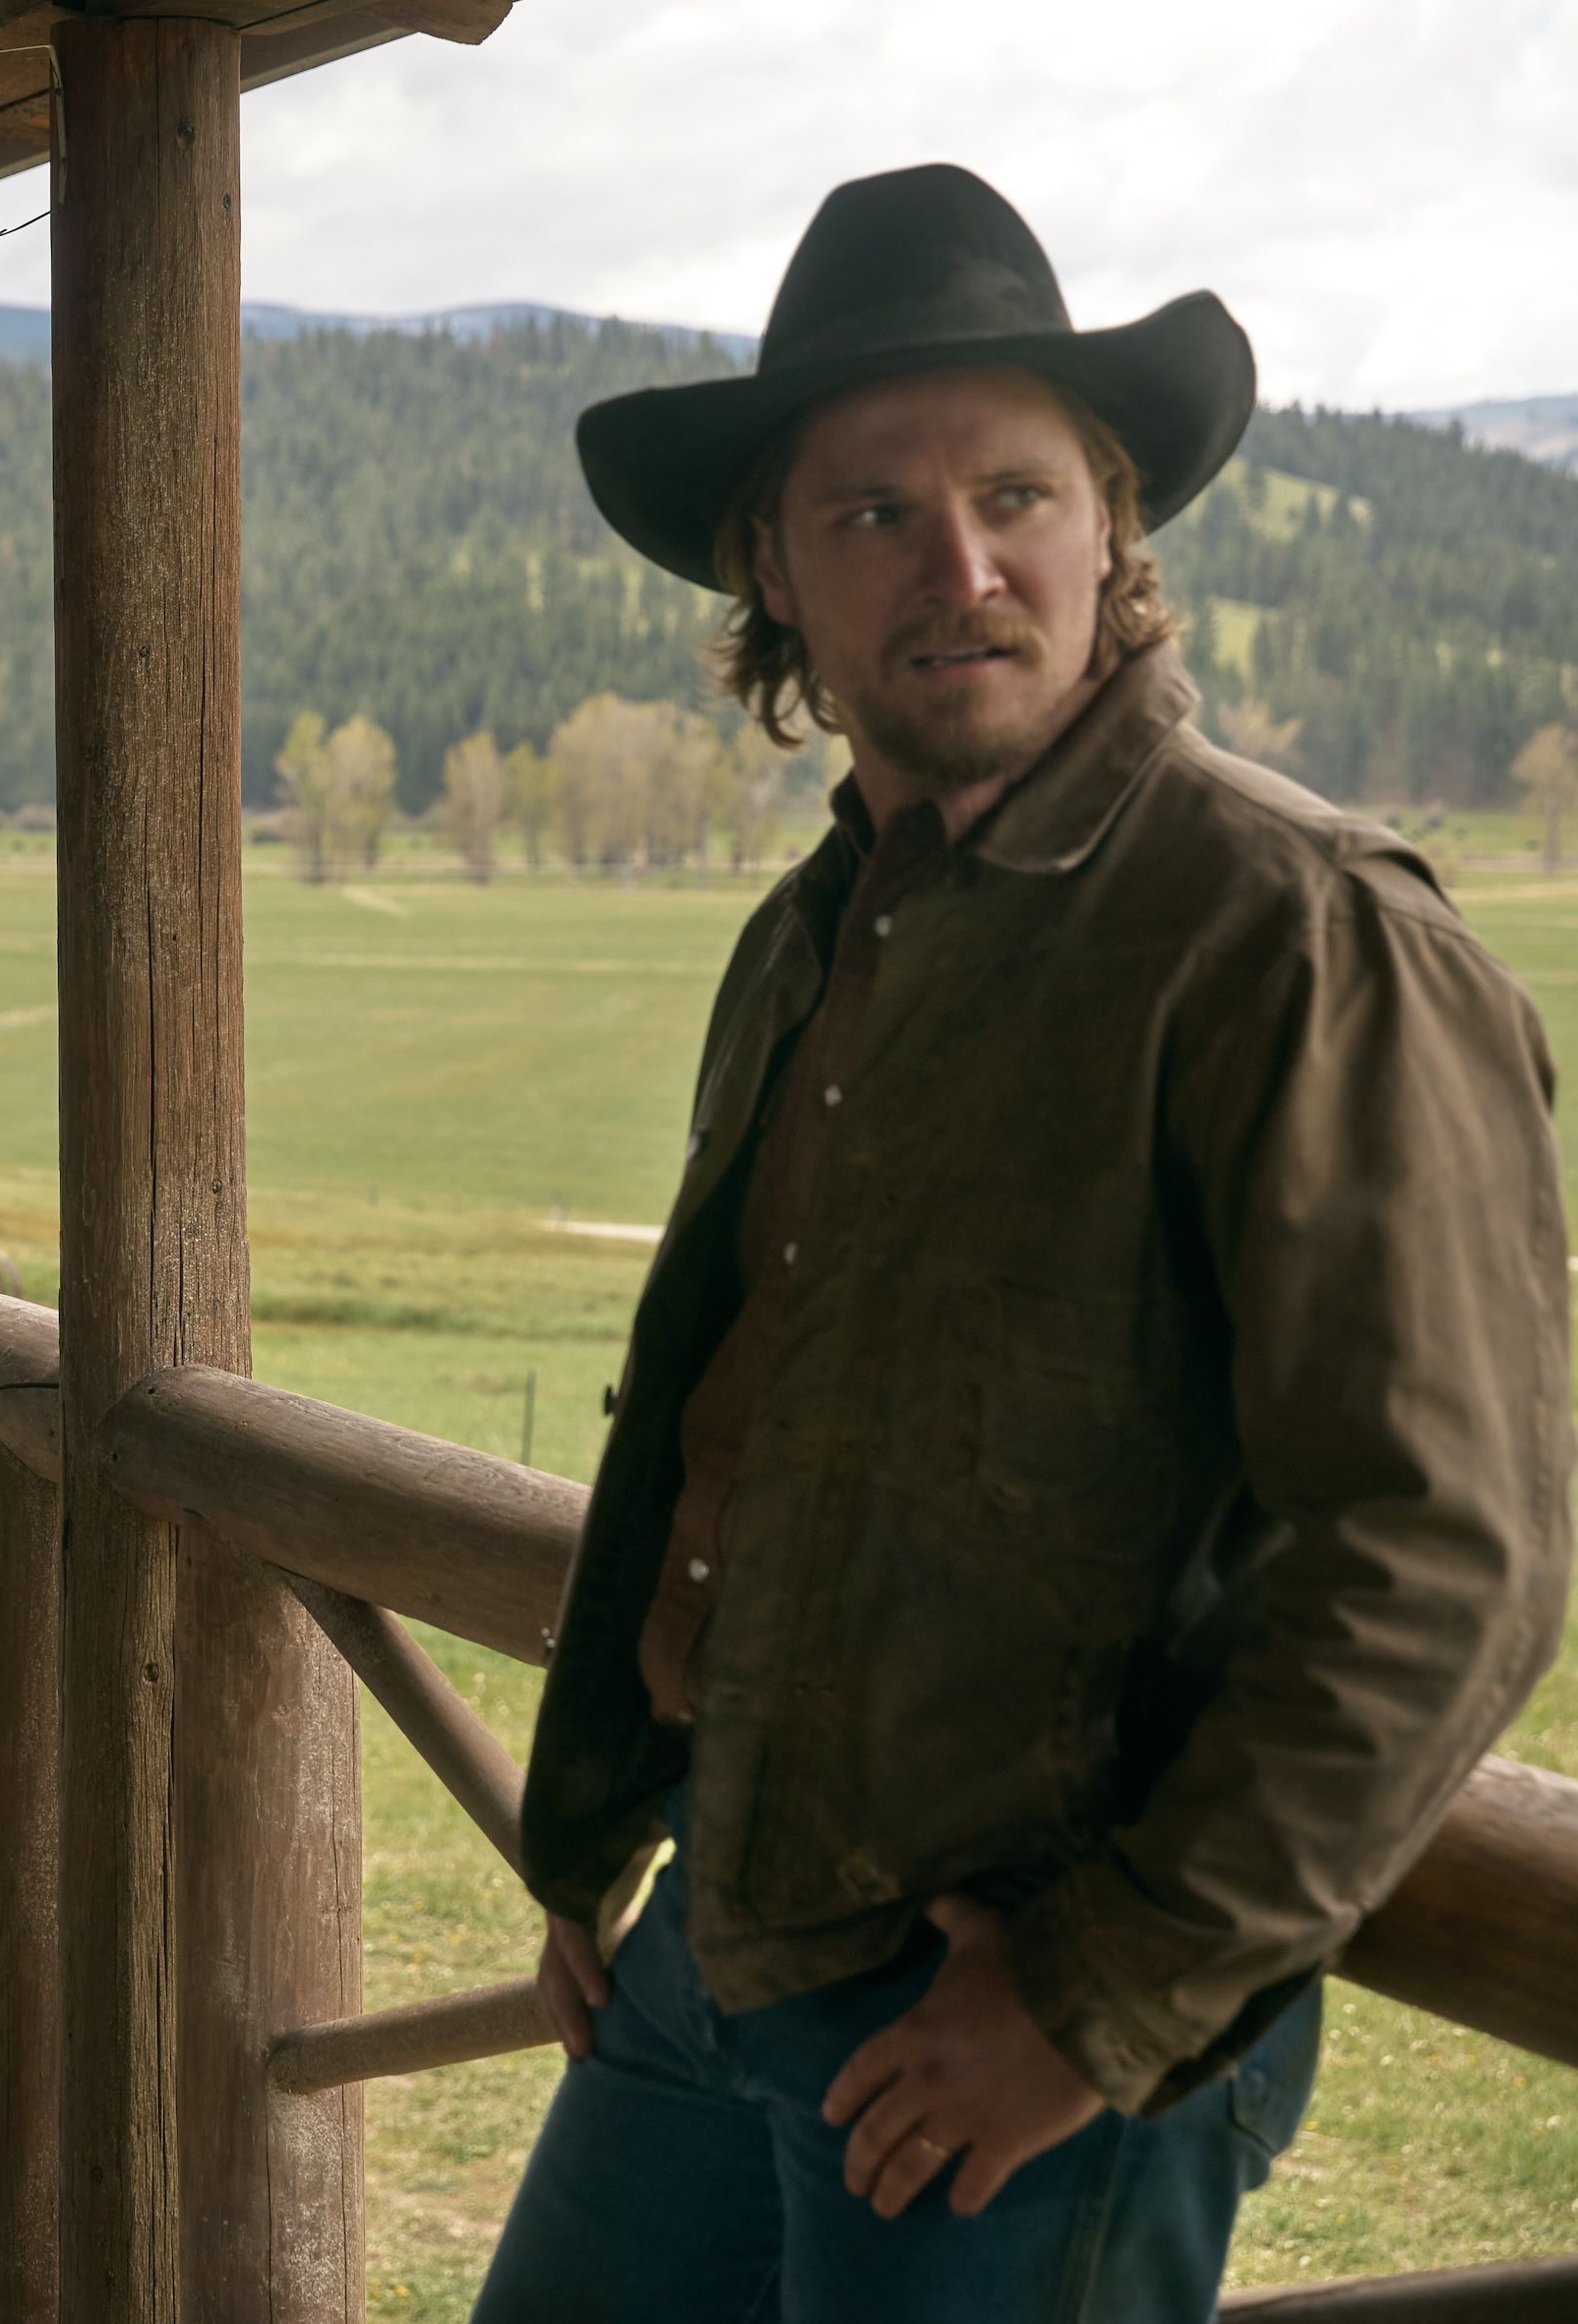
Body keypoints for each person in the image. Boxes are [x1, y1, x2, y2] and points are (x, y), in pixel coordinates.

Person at [478, 165, 1572, 2322]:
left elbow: (1446, 1546)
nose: (957, 563)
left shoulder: (1286, 930)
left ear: (1110, 532)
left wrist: (1096, 1993)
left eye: (1016, 493)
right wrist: (619, 1814)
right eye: (870, 512)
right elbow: (745, 1416)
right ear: (767, 574)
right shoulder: (813, 936)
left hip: (1006, 2013)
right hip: (718, 1929)